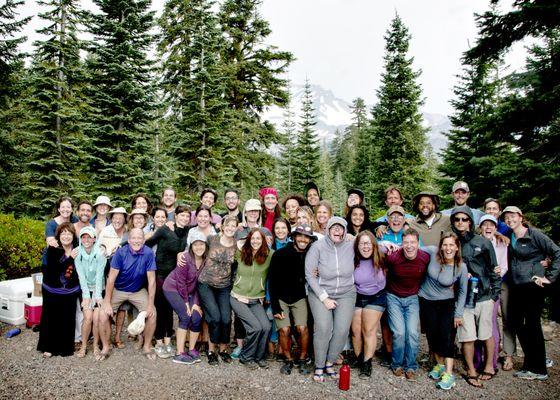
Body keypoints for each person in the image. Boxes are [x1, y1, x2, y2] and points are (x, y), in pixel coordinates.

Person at [503, 206, 560, 381]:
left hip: (533, 286)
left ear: (521, 217)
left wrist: (549, 277)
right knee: (517, 323)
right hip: (517, 286)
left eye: (513, 216)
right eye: (506, 217)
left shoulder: (534, 234)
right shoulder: (510, 236)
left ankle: (539, 370)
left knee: (532, 325)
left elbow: (557, 252)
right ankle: (533, 362)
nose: (510, 220)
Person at [451, 206, 500, 388]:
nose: (461, 223)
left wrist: (494, 295)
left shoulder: (483, 242)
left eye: (464, 219)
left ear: (470, 221)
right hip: (463, 298)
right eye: (457, 220)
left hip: (484, 296)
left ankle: (489, 366)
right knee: (467, 335)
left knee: (486, 334)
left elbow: (494, 268)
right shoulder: (452, 243)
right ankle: (471, 370)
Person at [305, 217, 356, 382]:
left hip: (346, 292)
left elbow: (369, 244)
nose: (337, 231)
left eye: (341, 228)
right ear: (327, 229)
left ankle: (329, 362)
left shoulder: (350, 246)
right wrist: (324, 298)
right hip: (320, 292)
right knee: (324, 328)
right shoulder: (317, 247)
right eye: (334, 227)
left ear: (345, 231)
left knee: (341, 330)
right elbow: (310, 276)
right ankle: (319, 365)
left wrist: (385, 244)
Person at [418, 232, 468, 390]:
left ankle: (448, 374)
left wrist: (458, 313)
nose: (448, 248)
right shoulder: (432, 252)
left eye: (451, 245)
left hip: (446, 303)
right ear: (440, 246)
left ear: (457, 247)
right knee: (432, 334)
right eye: (445, 245)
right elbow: (412, 247)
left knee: (447, 336)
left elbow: (463, 292)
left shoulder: (461, 266)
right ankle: (439, 365)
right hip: (426, 300)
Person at [99, 228, 157, 360]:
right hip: (119, 289)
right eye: (134, 238)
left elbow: (152, 281)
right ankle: (106, 346)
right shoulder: (121, 253)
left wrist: (150, 304)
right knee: (103, 314)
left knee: (152, 314)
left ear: (143, 239)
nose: (136, 241)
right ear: (129, 240)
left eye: (139, 238)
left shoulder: (148, 253)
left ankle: (147, 346)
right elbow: (111, 278)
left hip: (137, 290)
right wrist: (107, 301)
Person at [269, 223, 316, 375]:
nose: (303, 239)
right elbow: (273, 281)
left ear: (310, 240)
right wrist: (275, 305)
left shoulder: (310, 254)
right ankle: (288, 359)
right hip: (281, 297)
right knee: (284, 329)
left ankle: (302, 357)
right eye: (300, 236)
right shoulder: (280, 254)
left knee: (302, 328)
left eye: (307, 237)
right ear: (294, 237)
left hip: (299, 297)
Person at [145, 205, 191, 358]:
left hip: (174, 277)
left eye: (187, 216)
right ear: (175, 216)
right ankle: (158, 341)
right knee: (160, 307)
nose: (184, 218)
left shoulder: (188, 231)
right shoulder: (165, 229)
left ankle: (167, 340)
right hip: (160, 273)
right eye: (182, 215)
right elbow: (148, 243)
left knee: (170, 308)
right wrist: (123, 245)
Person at [384, 228, 429, 381]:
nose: (409, 246)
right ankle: (396, 363)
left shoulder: (424, 257)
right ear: (401, 244)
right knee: (399, 332)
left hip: (412, 298)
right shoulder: (393, 257)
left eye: (412, 242)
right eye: (406, 243)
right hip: (393, 297)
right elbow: (382, 268)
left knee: (412, 333)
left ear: (418, 243)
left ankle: (410, 365)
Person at [197, 215, 239, 365]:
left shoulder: (236, 245)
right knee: (215, 317)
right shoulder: (211, 239)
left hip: (224, 286)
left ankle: (223, 349)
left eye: (233, 226)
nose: (230, 228)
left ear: (236, 228)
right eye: (228, 225)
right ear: (222, 226)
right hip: (206, 283)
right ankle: (211, 350)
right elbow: (197, 250)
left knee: (226, 319)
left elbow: (238, 264)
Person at [230, 228, 274, 369]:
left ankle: (258, 357)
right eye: (253, 238)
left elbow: (284, 260)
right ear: (248, 240)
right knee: (255, 328)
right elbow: (225, 248)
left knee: (266, 327)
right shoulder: (241, 253)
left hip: (256, 299)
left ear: (263, 241)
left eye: (258, 239)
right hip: (237, 297)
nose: (255, 241)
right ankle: (246, 357)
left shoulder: (269, 255)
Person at [37, 222, 80, 358]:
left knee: (67, 319)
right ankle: (48, 347)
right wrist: (70, 259)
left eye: (69, 233)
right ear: (58, 235)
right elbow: (53, 271)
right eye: (63, 233)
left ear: (73, 236)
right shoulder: (53, 249)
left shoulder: (78, 249)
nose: (66, 236)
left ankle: (65, 348)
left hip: (70, 291)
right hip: (52, 290)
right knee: (50, 318)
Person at [164, 230, 207, 365]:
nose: (198, 247)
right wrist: (186, 302)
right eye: (195, 245)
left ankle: (192, 349)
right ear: (191, 246)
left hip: (192, 291)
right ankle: (179, 353)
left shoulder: (206, 260)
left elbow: (202, 284)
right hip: (173, 288)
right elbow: (181, 282)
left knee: (196, 316)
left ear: (205, 245)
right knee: (185, 316)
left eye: (201, 244)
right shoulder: (185, 259)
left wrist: (195, 303)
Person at [351, 230, 387, 379]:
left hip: (376, 297)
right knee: (355, 330)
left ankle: (367, 362)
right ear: (357, 246)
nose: (365, 247)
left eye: (368, 243)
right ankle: (359, 358)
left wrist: (387, 243)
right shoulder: (352, 258)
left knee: (368, 329)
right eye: (362, 243)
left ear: (373, 245)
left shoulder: (382, 254)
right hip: (358, 296)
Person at [478, 214, 510, 371]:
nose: (488, 228)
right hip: (477, 288)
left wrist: (496, 273)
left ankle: (492, 359)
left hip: (492, 288)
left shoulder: (500, 244)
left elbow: (504, 266)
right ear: (480, 228)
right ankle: (477, 359)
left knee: (490, 324)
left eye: (492, 225)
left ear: (496, 228)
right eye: (485, 225)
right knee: (476, 323)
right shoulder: (475, 243)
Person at [74, 226, 106, 359]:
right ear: (80, 239)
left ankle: (96, 346)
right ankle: (84, 346)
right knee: (87, 318)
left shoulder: (100, 253)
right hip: (85, 288)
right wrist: (86, 297)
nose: (86, 239)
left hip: (99, 288)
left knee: (96, 318)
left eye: (89, 237)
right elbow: (81, 277)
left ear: (94, 239)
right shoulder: (77, 254)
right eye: (83, 237)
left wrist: (97, 296)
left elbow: (99, 276)